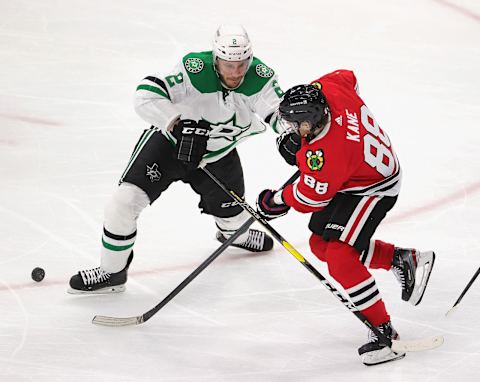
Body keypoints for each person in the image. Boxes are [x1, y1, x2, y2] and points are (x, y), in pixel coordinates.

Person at [68, 25, 284, 294]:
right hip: (168, 146)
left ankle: (232, 234)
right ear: (216, 59)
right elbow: (146, 94)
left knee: (232, 216)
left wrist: (292, 137)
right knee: (123, 203)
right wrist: (177, 124)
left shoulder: (260, 77)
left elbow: (278, 114)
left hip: (218, 154)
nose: (236, 72)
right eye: (229, 64)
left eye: (242, 64)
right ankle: (111, 273)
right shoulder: (193, 69)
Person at [255, 70, 435, 366]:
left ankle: (384, 332)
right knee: (319, 245)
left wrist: (276, 200)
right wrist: (307, 143)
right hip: (354, 174)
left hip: (373, 187)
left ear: (310, 121)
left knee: (340, 256)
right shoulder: (327, 88)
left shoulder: (330, 153)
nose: (288, 128)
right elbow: (347, 76)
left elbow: (311, 197)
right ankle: (402, 259)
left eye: (293, 124)